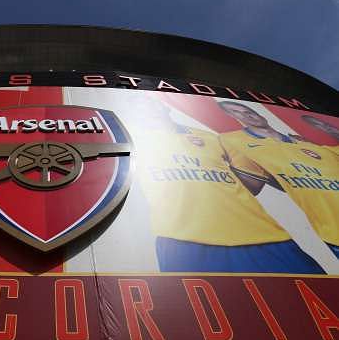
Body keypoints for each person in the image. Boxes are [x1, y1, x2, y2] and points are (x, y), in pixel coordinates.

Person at [136, 101, 323, 273]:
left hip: (261, 235)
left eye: (152, 105)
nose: (147, 109)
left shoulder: (213, 138)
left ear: (165, 108)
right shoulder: (132, 141)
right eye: (141, 107)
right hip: (183, 242)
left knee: (321, 300)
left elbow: (253, 182)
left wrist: (221, 192)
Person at [218, 101, 339, 259]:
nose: (247, 114)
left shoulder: (314, 148)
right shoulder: (233, 140)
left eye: (248, 110)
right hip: (333, 233)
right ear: (232, 116)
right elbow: (249, 186)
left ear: (261, 114)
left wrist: (328, 128)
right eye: (237, 111)